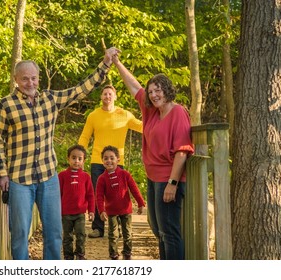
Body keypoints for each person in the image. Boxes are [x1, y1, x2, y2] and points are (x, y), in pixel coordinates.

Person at [0, 47, 119, 260]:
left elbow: (81, 90)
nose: (30, 83)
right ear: (16, 79)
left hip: (48, 176)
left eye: (33, 78)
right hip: (18, 179)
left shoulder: (50, 99)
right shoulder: (6, 105)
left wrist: (105, 64)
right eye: (25, 79)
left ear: (38, 78)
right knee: (20, 233)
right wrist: (2, 173)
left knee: (54, 232)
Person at [112, 55, 194, 260]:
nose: (154, 94)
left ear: (167, 89)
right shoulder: (151, 112)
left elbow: (182, 151)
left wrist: (172, 183)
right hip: (153, 178)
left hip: (168, 179)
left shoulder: (178, 113)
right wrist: (116, 63)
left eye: (158, 90)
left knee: (169, 231)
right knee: (159, 230)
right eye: (151, 92)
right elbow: (133, 86)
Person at [78, 85, 142, 238]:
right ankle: (98, 228)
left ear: (115, 96)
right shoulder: (93, 116)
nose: (107, 96)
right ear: (101, 97)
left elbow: (142, 127)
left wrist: (156, 117)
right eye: (104, 94)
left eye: (110, 94)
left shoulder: (125, 114)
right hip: (97, 161)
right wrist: (80, 154)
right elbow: (85, 136)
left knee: (118, 195)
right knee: (96, 193)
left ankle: (119, 228)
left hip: (117, 161)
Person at [96, 145, 145, 260]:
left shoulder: (124, 174)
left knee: (127, 233)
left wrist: (140, 202)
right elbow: (98, 196)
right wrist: (101, 211)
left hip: (125, 209)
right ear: (102, 161)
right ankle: (113, 253)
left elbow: (134, 189)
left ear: (118, 159)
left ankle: (127, 253)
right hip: (111, 211)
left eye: (112, 158)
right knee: (113, 234)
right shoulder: (102, 178)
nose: (109, 161)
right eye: (106, 158)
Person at [58, 144, 95, 260]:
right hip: (66, 213)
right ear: (68, 158)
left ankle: (80, 254)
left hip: (80, 213)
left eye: (80, 159)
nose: (76, 161)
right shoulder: (62, 176)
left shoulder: (86, 177)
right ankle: (68, 256)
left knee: (80, 234)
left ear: (84, 160)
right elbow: (58, 195)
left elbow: (90, 195)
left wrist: (91, 211)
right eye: (73, 158)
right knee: (67, 236)